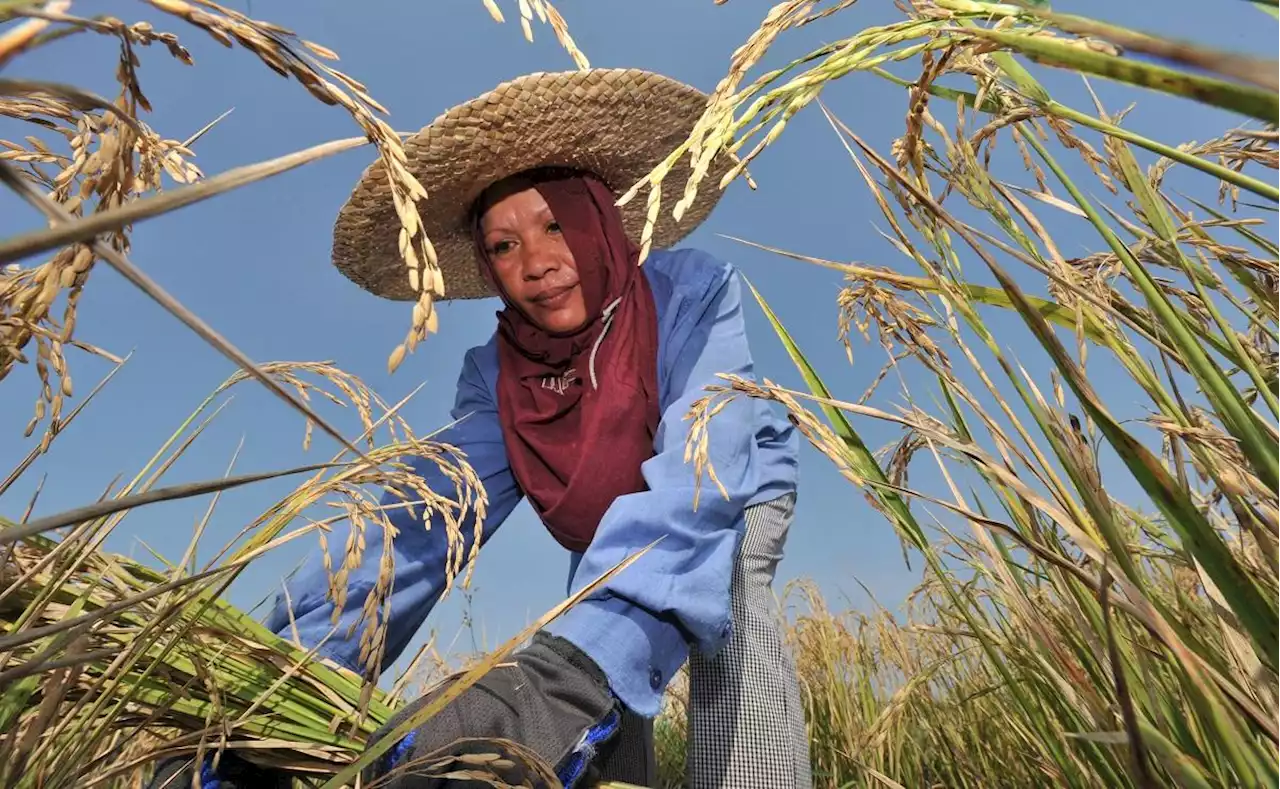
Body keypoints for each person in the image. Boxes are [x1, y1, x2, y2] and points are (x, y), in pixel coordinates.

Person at [150, 68, 810, 789]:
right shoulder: (497, 372)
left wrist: (572, 666)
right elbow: (426, 517)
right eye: (503, 246)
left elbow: (700, 469)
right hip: (603, 518)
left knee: (715, 599)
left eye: (555, 225)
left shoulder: (692, 291)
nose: (536, 264)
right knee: (596, 675)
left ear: (596, 220)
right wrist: (288, 673)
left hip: (730, 485)